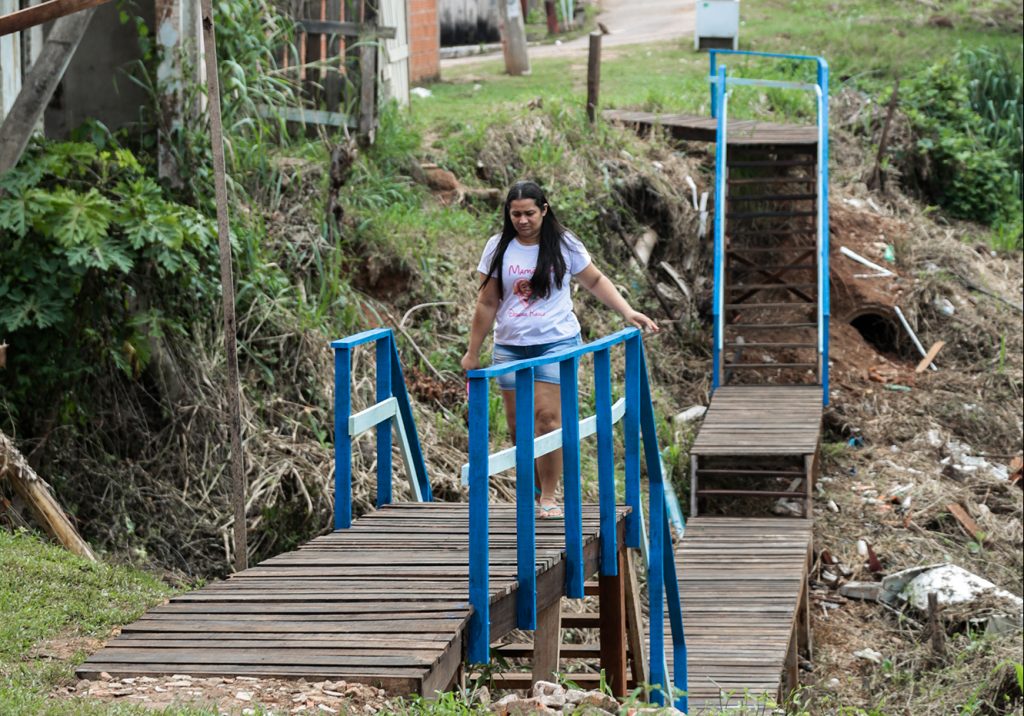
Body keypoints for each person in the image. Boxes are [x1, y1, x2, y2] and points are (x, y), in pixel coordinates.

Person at [461, 181, 659, 519]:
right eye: (515, 214)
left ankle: (550, 496)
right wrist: (472, 351)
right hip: (510, 346)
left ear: (544, 210)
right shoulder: (497, 247)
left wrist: (627, 311)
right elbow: (487, 301)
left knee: (548, 421)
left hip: (556, 343)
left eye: (529, 213)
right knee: (518, 428)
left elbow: (594, 280)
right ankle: (535, 493)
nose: (522, 220)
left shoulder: (564, 243)